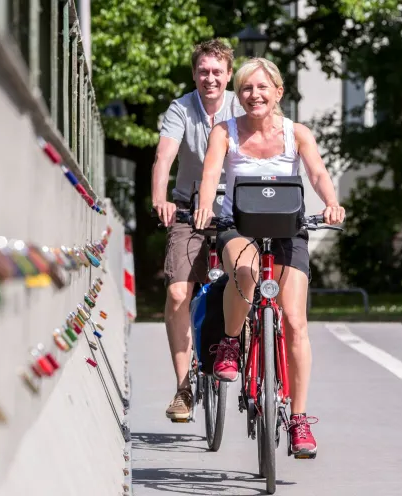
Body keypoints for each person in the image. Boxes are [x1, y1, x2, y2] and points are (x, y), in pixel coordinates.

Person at [193, 57, 345, 458]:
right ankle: (229, 343)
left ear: (278, 92)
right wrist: (206, 206)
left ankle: (298, 420)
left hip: (287, 230)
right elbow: (210, 175)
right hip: (237, 226)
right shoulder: (224, 132)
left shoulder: (297, 133)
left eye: (262, 88)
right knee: (244, 274)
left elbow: (317, 174)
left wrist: (331, 202)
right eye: (245, 88)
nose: (254, 95)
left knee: (295, 320)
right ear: (237, 95)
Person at [153, 39, 245, 421]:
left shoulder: (243, 106)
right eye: (203, 71)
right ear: (195, 74)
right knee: (177, 294)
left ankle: (249, 350)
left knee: (251, 276)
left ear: (228, 75)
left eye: (217, 72)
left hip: (237, 209)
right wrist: (161, 197)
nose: (210, 78)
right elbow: (164, 154)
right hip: (189, 209)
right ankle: (183, 388)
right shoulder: (182, 108)